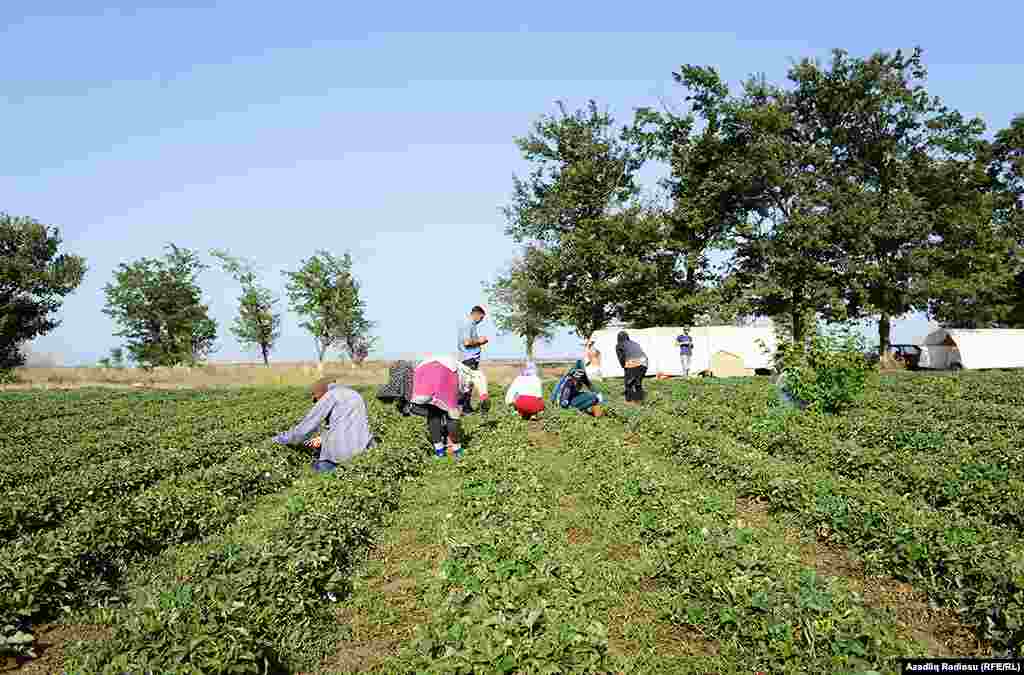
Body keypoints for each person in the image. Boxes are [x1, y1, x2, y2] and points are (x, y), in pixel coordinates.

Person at [272, 378, 374, 473]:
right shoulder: (354, 394)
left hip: (339, 454)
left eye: (316, 399)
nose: (316, 402)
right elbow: (347, 424)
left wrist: (281, 439)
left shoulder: (331, 396)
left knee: (316, 474)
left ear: (321, 394)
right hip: (362, 449)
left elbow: (305, 428)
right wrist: (322, 439)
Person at [409, 355, 490, 459]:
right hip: (444, 371)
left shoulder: (460, 367)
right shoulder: (474, 373)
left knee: (433, 413)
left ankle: (439, 451)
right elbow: (482, 389)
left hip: (421, 371)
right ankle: (457, 451)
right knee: (452, 416)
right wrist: (484, 399)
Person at [457, 305, 489, 414]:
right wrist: (480, 341)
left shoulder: (469, 324)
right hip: (469, 358)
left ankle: (465, 407)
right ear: (477, 314)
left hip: (468, 358)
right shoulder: (469, 324)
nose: (481, 321)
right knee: (467, 384)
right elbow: (466, 343)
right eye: (481, 318)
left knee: (468, 383)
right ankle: (464, 408)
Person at [615, 331, 648, 403]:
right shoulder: (634, 343)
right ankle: (640, 399)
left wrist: (624, 367)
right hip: (644, 362)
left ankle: (629, 400)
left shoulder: (619, 345)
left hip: (633, 362)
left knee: (628, 383)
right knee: (637, 382)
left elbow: (621, 357)